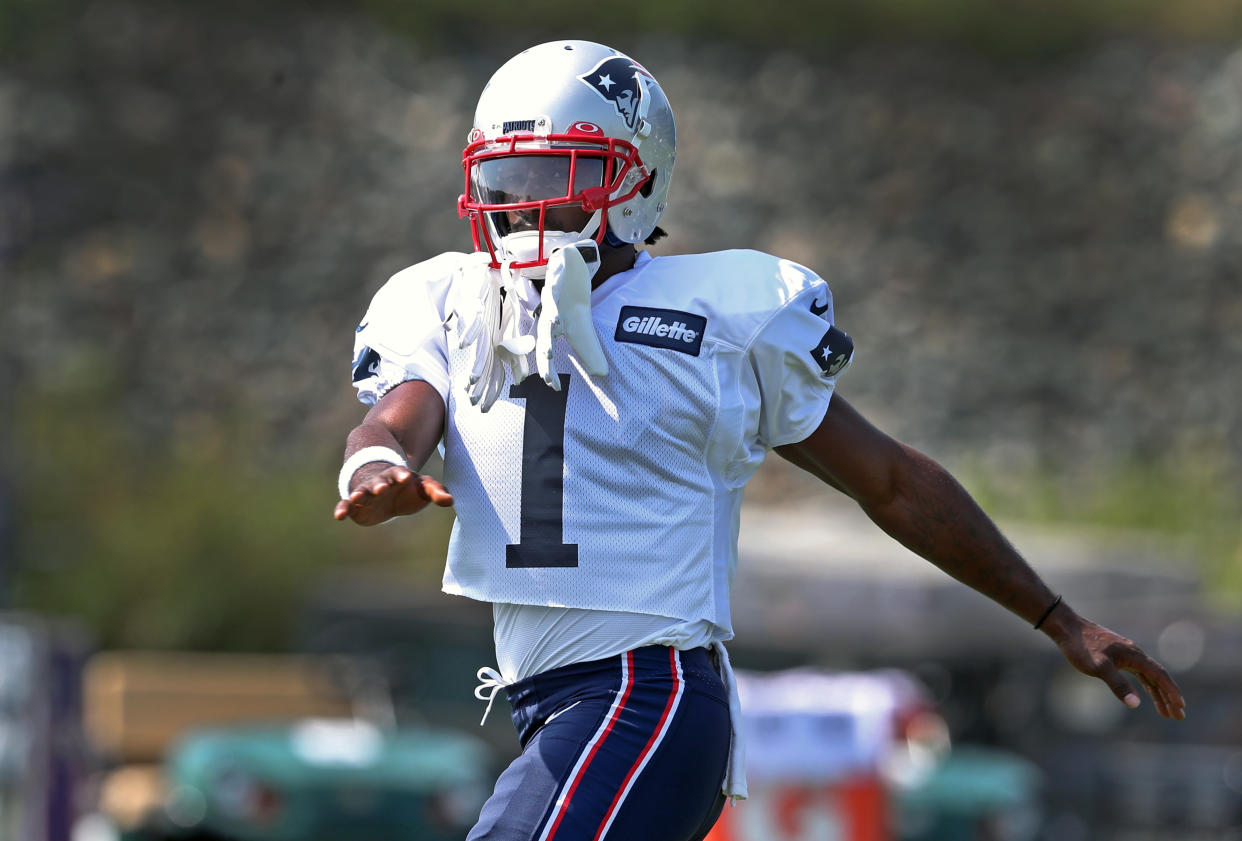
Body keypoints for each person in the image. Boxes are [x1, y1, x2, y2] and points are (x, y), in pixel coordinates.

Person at [333, 40, 1185, 841]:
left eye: (559, 174)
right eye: (506, 178)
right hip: (549, 703)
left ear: (637, 178)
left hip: (644, 695)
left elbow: (887, 478)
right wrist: (378, 467)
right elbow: (395, 417)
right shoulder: (446, 298)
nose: (526, 205)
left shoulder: (724, 313)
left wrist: (1057, 617)